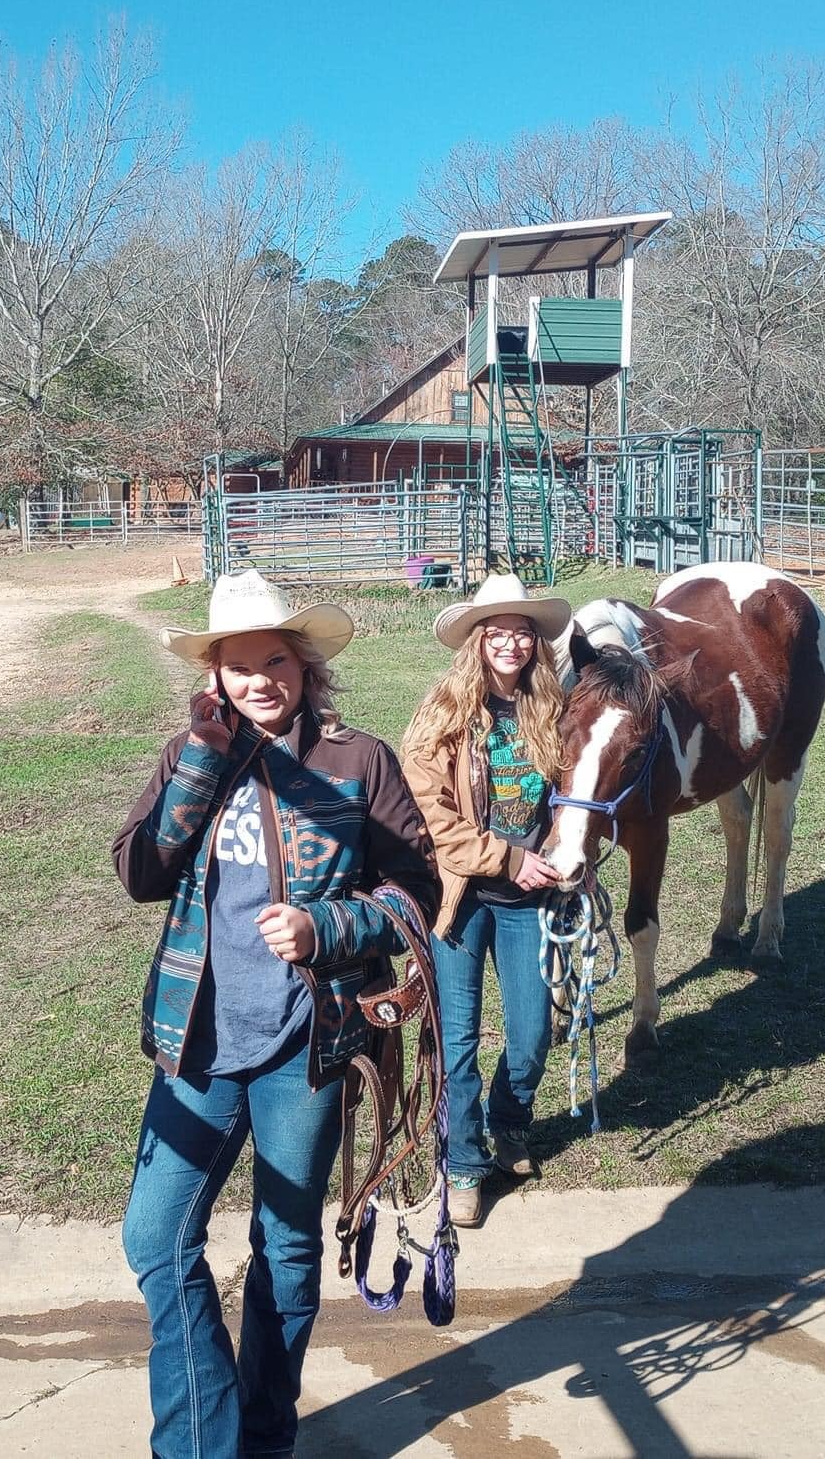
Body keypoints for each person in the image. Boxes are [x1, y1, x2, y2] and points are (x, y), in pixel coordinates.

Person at [113, 568, 439, 1459]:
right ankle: (201, 1443)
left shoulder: (357, 760)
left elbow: (415, 891)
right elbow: (140, 873)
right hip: (200, 1042)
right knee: (155, 1238)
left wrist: (326, 926)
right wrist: (199, 760)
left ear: (305, 666)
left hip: (310, 1045)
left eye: (276, 662)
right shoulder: (191, 754)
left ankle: (262, 1438)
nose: (260, 682)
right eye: (239, 666)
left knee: (287, 1248)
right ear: (213, 675)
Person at [400, 573, 573, 1228]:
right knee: (460, 1040)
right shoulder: (443, 712)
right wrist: (508, 858)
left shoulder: (551, 708)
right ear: (477, 640)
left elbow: (576, 794)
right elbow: (430, 814)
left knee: (531, 1036)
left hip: (529, 901)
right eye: (497, 632)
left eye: (521, 632)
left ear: (535, 642)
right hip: (463, 899)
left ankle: (509, 1121)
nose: (510, 643)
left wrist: (563, 850)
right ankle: (465, 1164)